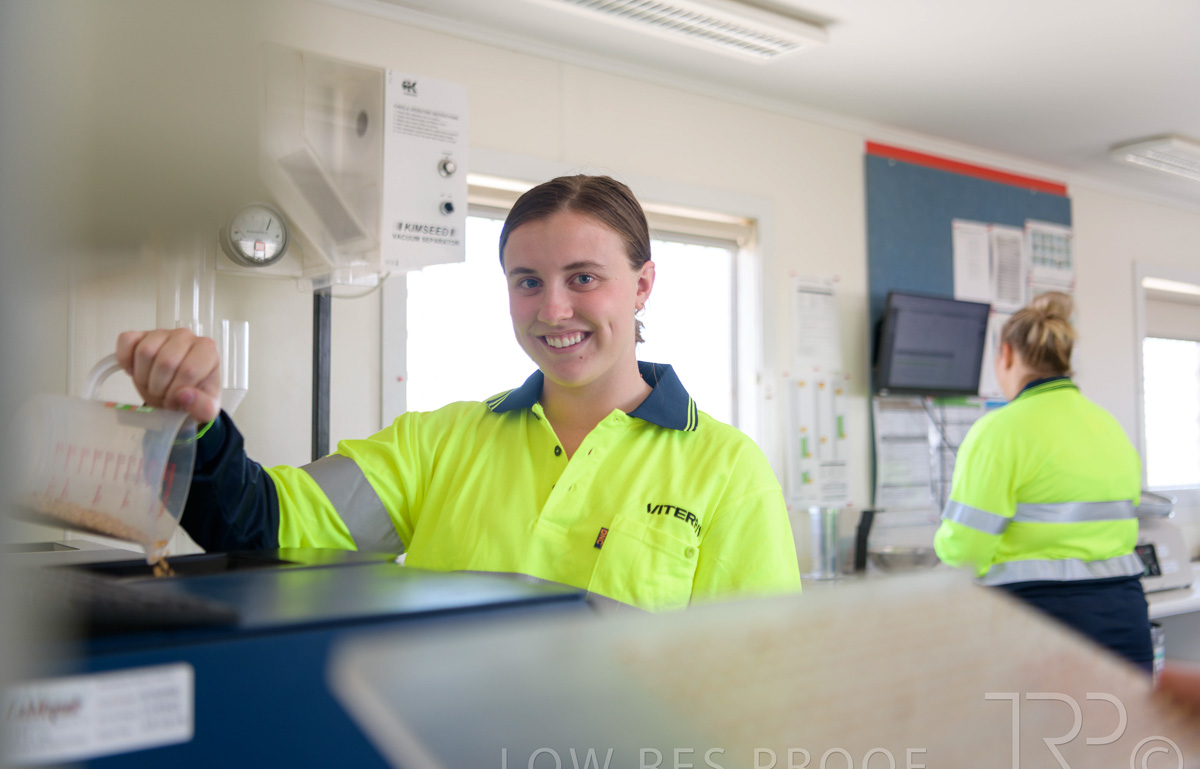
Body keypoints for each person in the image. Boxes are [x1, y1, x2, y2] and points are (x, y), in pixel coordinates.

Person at [116, 175, 802, 611]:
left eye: (584, 278)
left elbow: (759, 684)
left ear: (643, 285)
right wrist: (197, 425)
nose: (553, 309)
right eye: (527, 282)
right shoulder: (437, 445)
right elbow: (261, 529)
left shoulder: (727, 471)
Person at [934, 291, 1152, 670]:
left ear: (1006, 355)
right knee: (1118, 713)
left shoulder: (1000, 430)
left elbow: (965, 550)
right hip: (1124, 616)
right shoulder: (1108, 426)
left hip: (1038, 619)